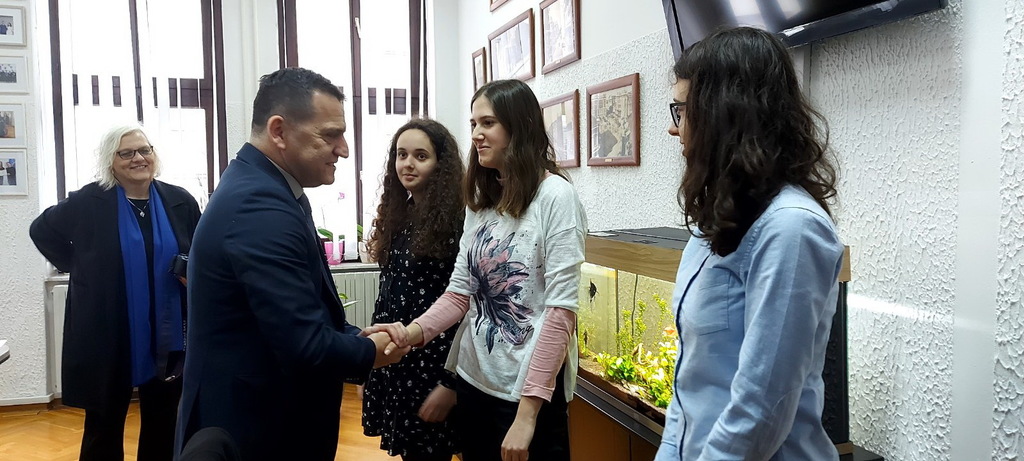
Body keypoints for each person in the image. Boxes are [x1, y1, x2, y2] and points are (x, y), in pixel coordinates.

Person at [175, 67, 408, 461]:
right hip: (255, 427)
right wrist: (372, 352)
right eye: (330, 135)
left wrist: (357, 336)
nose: (343, 149)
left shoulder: (267, 188)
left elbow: (294, 313)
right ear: (279, 131)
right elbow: (305, 345)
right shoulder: (259, 206)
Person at [373, 79, 587, 461]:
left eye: (488, 123)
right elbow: (459, 293)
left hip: (524, 393)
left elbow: (560, 313)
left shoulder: (556, 196)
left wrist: (527, 415)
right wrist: (411, 333)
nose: (476, 134)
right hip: (474, 382)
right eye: (473, 124)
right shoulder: (481, 199)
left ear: (519, 126)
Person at [655, 27, 843, 460]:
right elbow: (688, 385)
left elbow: (761, 408)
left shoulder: (792, 227)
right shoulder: (716, 220)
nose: (673, 128)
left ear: (724, 113)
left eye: (682, 110)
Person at [29, 125, 201, 461]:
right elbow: (41, 230)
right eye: (127, 153)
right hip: (108, 328)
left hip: (168, 330)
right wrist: (77, 264)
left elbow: (199, 247)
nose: (138, 158)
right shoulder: (89, 201)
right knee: (103, 422)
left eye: (145, 150)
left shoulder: (180, 200)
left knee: (165, 419)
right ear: (111, 161)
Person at [361, 118, 466, 461]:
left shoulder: (459, 222)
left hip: (436, 366)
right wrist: (371, 362)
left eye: (421, 156)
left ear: (441, 165)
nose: (408, 164)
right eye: (401, 154)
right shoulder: (401, 215)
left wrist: (450, 383)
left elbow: (468, 308)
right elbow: (388, 295)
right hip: (399, 360)